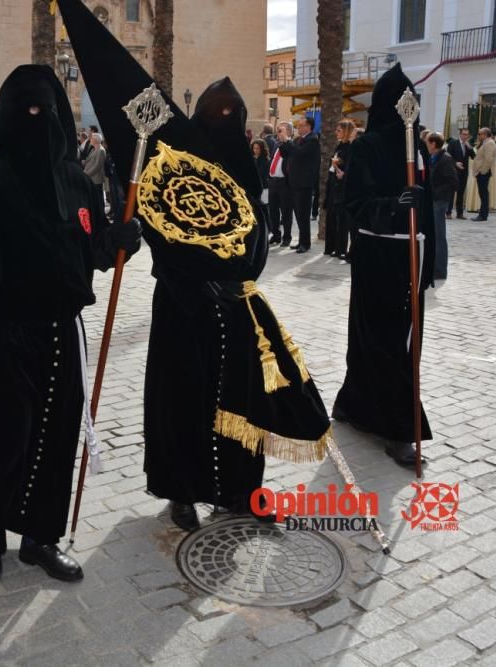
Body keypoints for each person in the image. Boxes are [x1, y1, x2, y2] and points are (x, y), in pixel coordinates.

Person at [0, 65, 140, 583]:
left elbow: (91, 250)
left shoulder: (74, 180)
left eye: (45, 110)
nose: (35, 121)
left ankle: (41, 537)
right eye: (25, 112)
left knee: (54, 441)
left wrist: (120, 239)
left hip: (62, 336)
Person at [140, 79, 332, 531]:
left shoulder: (245, 166)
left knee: (242, 405)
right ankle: (181, 492)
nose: (225, 123)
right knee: (183, 401)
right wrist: (191, 283)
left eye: (234, 115)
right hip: (182, 306)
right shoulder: (177, 163)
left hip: (235, 305)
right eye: (216, 114)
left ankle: (241, 492)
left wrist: (244, 277)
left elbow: (257, 230)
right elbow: (160, 228)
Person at [333, 63, 435, 467]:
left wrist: (431, 264)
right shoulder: (367, 146)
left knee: (403, 341)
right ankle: (398, 428)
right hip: (378, 256)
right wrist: (392, 207)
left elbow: (430, 211)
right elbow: (354, 205)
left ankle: (354, 406)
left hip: (414, 252)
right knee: (380, 339)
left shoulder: (420, 147)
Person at [281, 116, 319, 253]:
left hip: (304, 184)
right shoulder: (298, 140)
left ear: (308, 127)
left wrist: (287, 141)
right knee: (298, 214)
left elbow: (299, 153)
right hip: (293, 182)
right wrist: (283, 142)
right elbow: (285, 154)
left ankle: (305, 243)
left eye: (301, 125)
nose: (298, 128)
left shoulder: (313, 140)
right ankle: (301, 241)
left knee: (303, 214)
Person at [425, 133, 456, 281]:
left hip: (439, 201)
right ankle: (433, 266)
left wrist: (436, 193)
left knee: (439, 236)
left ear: (433, 144)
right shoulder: (435, 158)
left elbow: (452, 181)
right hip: (433, 200)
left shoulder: (445, 159)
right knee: (433, 234)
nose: (426, 146)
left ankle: (440, 269)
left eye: (427, 143)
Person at [324, 119, 355, 258]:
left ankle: (340, 248)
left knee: (341, 220)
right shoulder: (339, 146)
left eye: (339, 131)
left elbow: (349, 167)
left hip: (342, 187)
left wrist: (342, 172)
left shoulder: (350, 147)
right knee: (331, 216)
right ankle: (330, 247)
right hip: (333, 185)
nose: (336, 133)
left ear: (347, 132)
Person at [267, 121, 293, 246]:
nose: (278, 132)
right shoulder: (276, 144)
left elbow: (288, 153)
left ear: (288, 131)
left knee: (286, 211)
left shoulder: (292, 144)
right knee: (273, 211)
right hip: (273, 182)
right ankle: (276, 235)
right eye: (278, 130)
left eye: (281, 129)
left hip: (284, 183)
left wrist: (285, 139)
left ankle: (286, 237)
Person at [446, 129, 474, 219]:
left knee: (461, 193)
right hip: (454, 172)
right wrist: (456, 163)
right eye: (463, 134)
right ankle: (448, 212)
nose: (465, 136)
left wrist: (470, 148)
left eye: (467, 135)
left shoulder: (467, 145)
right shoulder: (453, 143)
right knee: (451, 192)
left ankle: (459, 213)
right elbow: (448, 157)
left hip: (464, 172)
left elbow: (474, 157)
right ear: (460, 134)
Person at [471, 128, 496, 221]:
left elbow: (488, 159)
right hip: (482, 172)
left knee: (484, 193)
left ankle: (483, 215)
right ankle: (482, 214)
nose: (478, 136)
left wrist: (483, 171)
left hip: (484, 172)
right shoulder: (485, 142)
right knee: (482, 193)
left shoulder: (489, 143)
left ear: (485, 134)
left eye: (480, 134)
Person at [252, 138, 270, 229]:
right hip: (255, 186)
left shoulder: (265, 160)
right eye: (254, 148)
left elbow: (262, 173)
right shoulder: (254, 159)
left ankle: (268, 227)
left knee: (264, 208)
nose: (255, 151)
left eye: (258, 148)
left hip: (264, 187)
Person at [83, 132, 106, 203]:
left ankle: (101, 213)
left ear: (96, 140)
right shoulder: (94, 149)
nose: (90, 140)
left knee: (98, 199)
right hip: (91, 178)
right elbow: (89, 161)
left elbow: (97, 166)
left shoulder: (101, 150)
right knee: (94, 199)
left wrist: (86, 174)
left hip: (96, 179)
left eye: (92, 139)